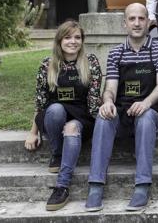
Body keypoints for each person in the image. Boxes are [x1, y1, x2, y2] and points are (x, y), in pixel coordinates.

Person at [85, 3, 158, 212]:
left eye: (141, 18)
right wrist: (107, 102)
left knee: (145, 117)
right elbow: (110, 88)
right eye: (132, 19)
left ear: (148, 22)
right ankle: (95, 185)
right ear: (125, 24)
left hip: (151, 111)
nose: (137, 23)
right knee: (103, 117)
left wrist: (145, 103)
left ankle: (142, 185)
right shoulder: (116, 53)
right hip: (122, 110)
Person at [24, 20, 102, 211]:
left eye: (77, 37)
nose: (72, 42)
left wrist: (103, 128)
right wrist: (33, 133)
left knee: (72, 127)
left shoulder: (90, 62)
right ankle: (57, 152)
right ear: (59, 41)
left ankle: (62, 186)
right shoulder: (47, 65)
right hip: (53, 116)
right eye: (67, 37)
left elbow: (93, 101)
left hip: (81, 116)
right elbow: (40, 101)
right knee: (56, 109)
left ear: (82, 41)